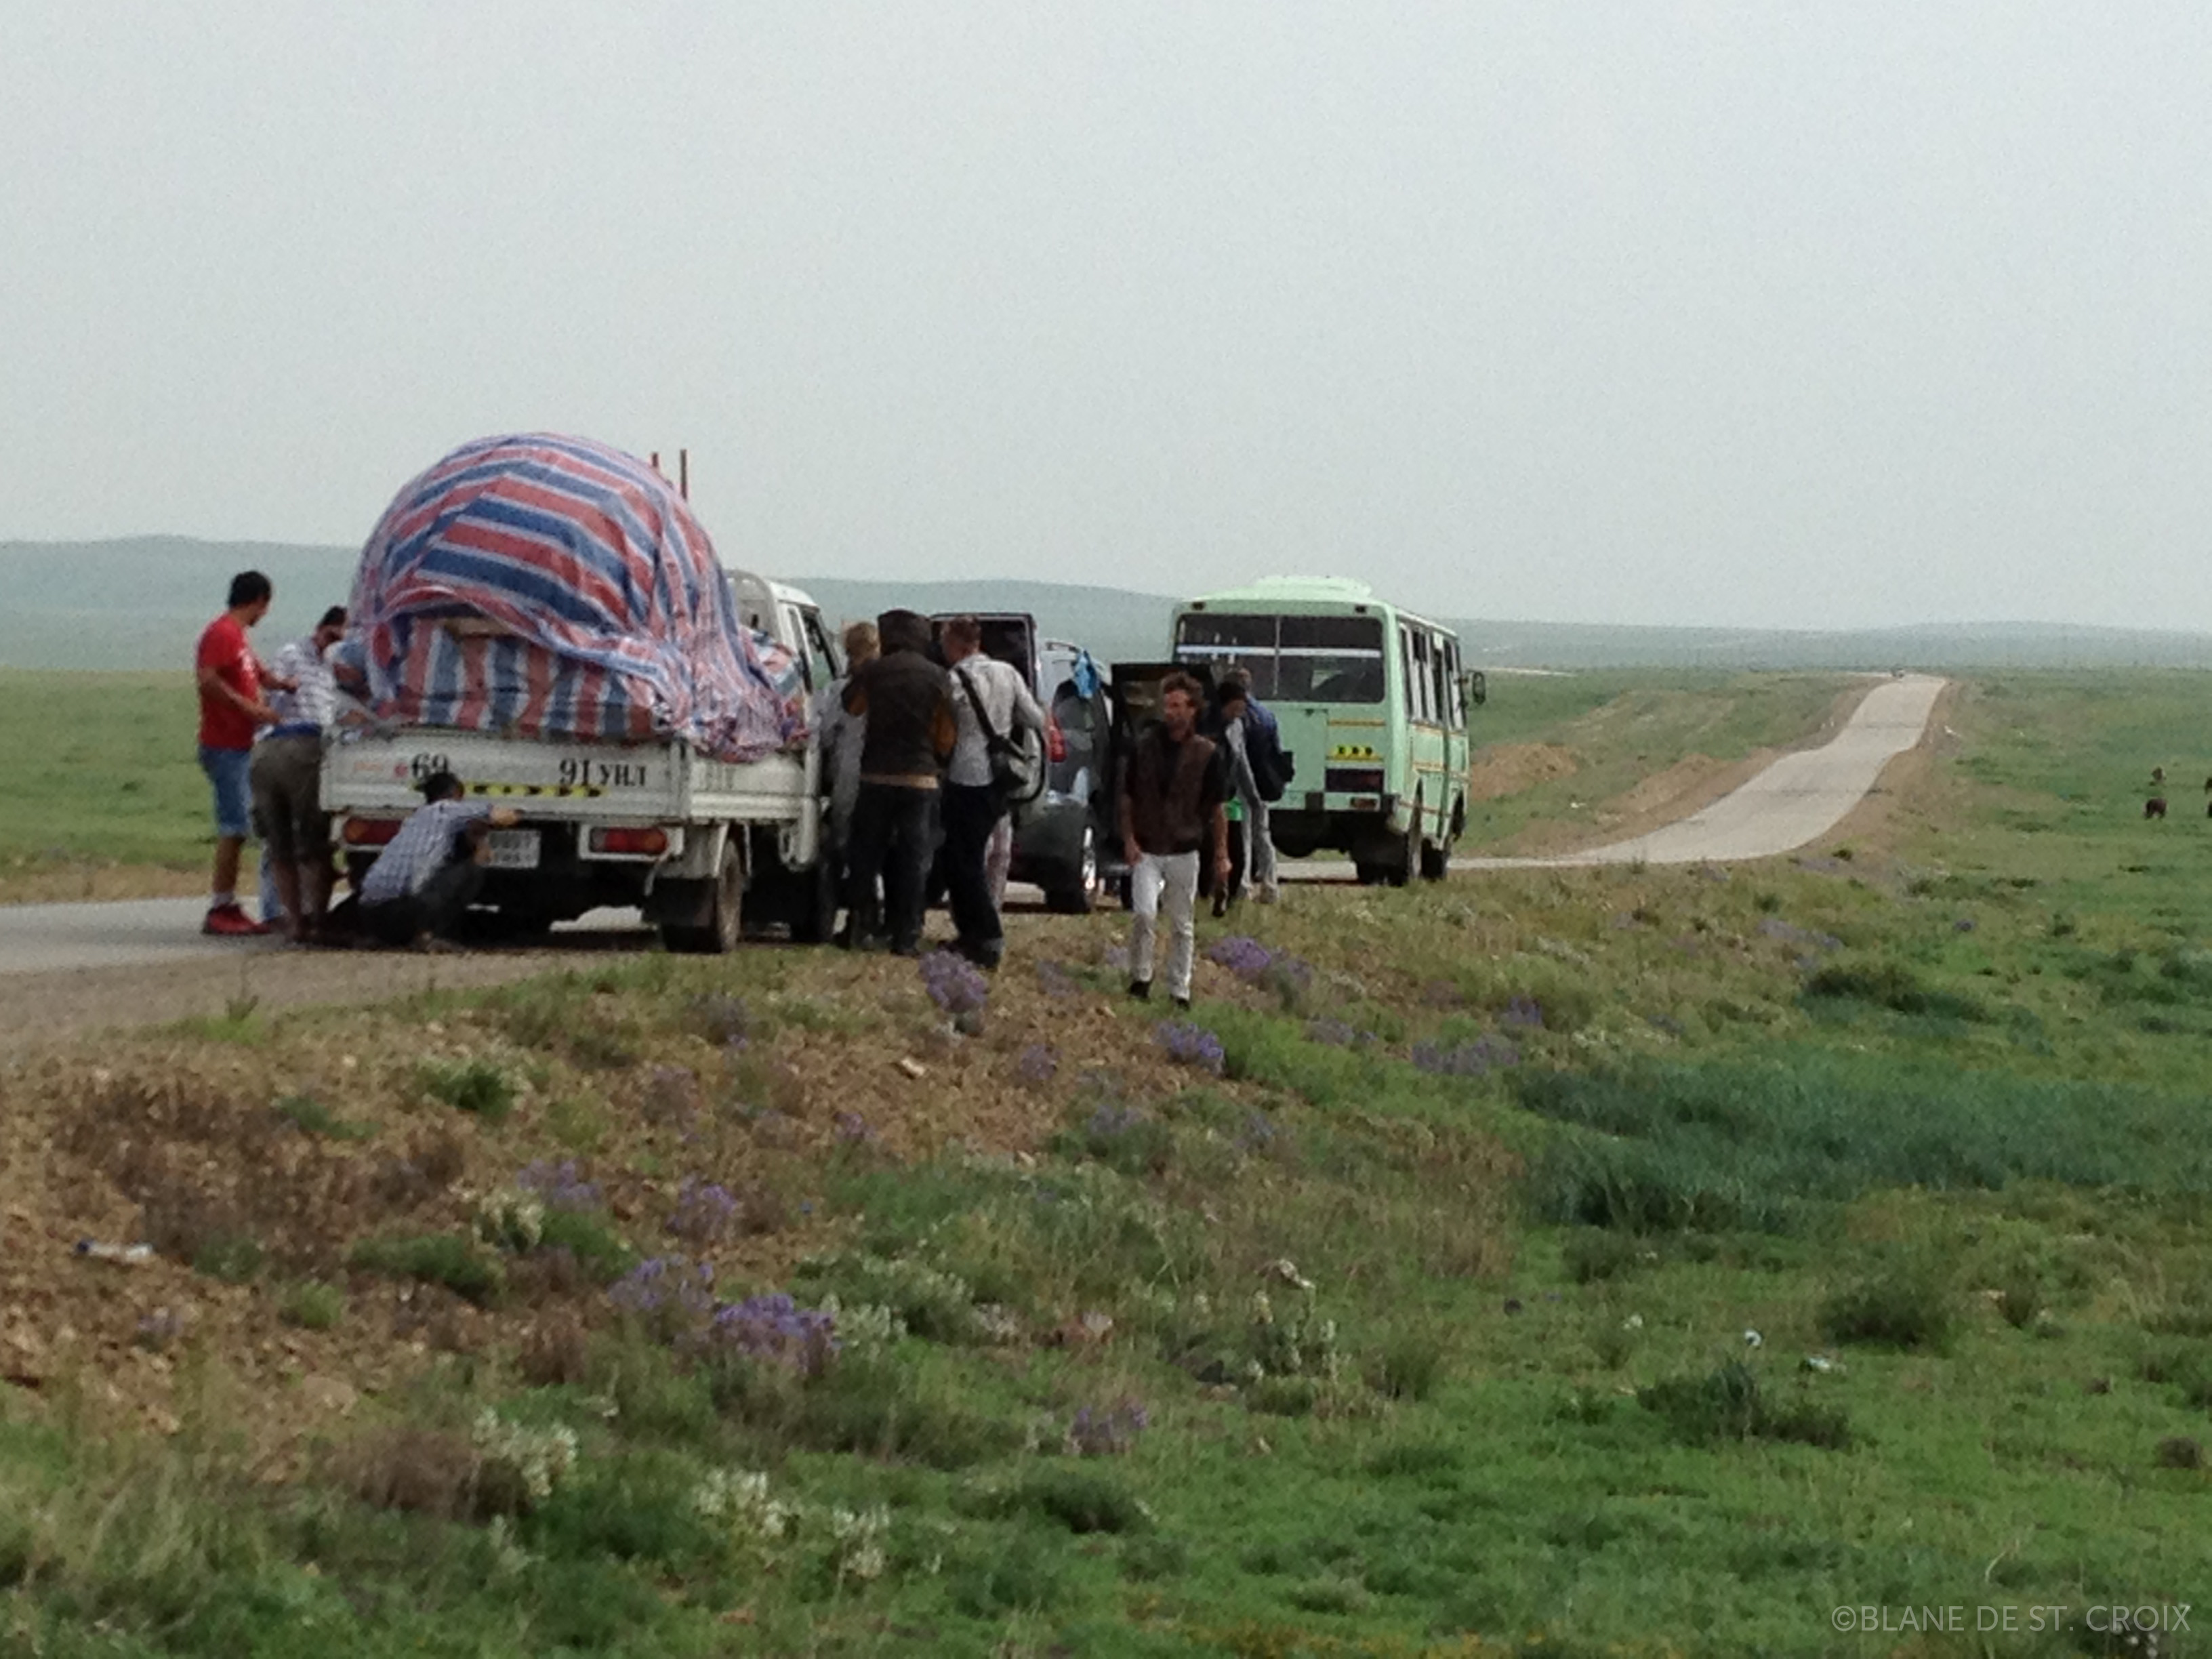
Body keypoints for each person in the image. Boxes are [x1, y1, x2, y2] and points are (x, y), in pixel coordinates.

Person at [842, 609, 956, 956]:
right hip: (919, 780)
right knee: (913, 861)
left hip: (876, 776)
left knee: (865, 857)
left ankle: (860, 927)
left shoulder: (875, 672)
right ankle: (906, 936)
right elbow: (947, 735)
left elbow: (853, 707)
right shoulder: (938, 676)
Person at [1120, 672, 1231, 1010]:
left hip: (1185, 848)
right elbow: (1127, 796)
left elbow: (1218, 809)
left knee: (1183, 924)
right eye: (1167, 705)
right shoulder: (1143, 747)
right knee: (1144, 914)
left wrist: (1221, 854)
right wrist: (1128, 839)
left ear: (1193, 709)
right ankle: (1141, 977)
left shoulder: (1207, 754)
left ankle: (1180, 989)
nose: (1170, 712)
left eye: (1178, 705)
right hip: (1147, 847)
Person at [941, 615, 1044, 969]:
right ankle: (974, 933)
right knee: (979, 855)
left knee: (965, 860)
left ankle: (986, 933)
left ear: (955, 644)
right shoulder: (1008, 673)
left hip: (965, 775)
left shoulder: (953, 680)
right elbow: (1034, 718)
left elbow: (944, 730)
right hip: (998, 778)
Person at [194, 571, 286, 937]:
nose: (266, 612)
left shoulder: (238, 637)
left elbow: (254, 671)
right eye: (266, 605)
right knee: (234, 827)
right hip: (225, 745)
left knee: (244, 824)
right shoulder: (221, 633)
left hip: (241, 744)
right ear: (259, 600)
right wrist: (249, 709)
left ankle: (230, 904)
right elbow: (208, 679)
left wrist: (282, 684)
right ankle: (220, 906)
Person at [250, 605, 349, 943]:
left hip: (279, 748)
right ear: (323, 629)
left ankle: (302, 922)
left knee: (290, 845)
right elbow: (272, 695)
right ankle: (308, 920)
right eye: (334, 635)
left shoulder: (335, 662)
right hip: (301, 744)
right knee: (307, 844)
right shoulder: (294, 654)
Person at [354, 770, 520, 948]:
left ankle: (382, 938)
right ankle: (425, 936)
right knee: (474, 868)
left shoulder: (415, 817)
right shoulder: (449, 809)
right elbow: (504, 816)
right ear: (456, 792)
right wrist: (486, 834)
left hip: (369, 914)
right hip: (406, 911)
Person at [811, 620, 878, 945]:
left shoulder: (839, 691)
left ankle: (844, 916)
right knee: (873, 852)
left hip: (848, 778)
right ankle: (868, 920)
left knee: (843, 849)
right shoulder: (888, 686)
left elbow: (823, 735)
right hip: (881, 775)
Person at [1221, 665, 1283, 903]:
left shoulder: (1239, 717)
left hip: (1241, 783)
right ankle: (1271, 885)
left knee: (1243, 836)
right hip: (1264, 780)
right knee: (1263, 835)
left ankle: (1244, 885)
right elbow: (1276, 750)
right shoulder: (1266, 715)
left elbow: (1238, 755)